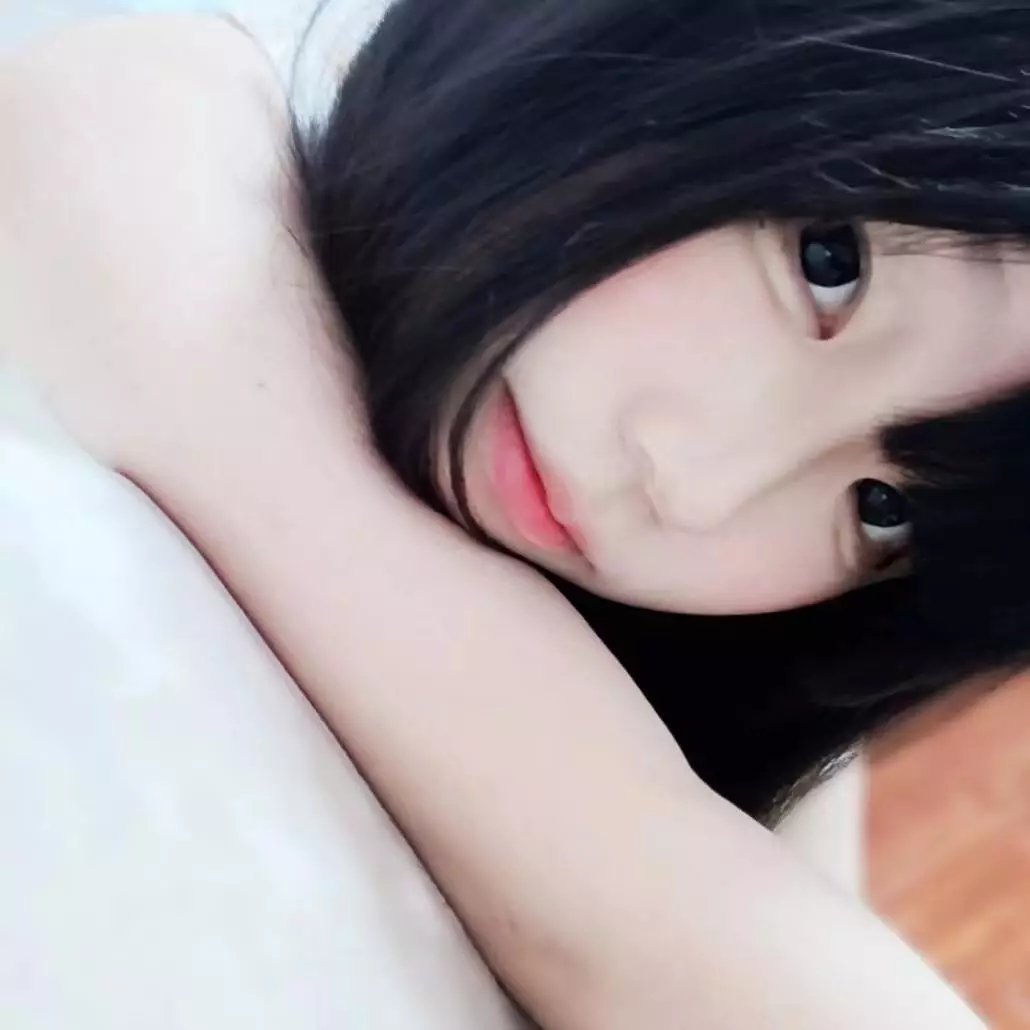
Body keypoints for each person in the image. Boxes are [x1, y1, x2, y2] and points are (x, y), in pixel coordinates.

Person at [2, 3, 1027, 1027]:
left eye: (883, 514)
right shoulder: (174, 132)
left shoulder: (736, 733)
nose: (696, 486)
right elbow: (106, 126)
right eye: (828, 264)